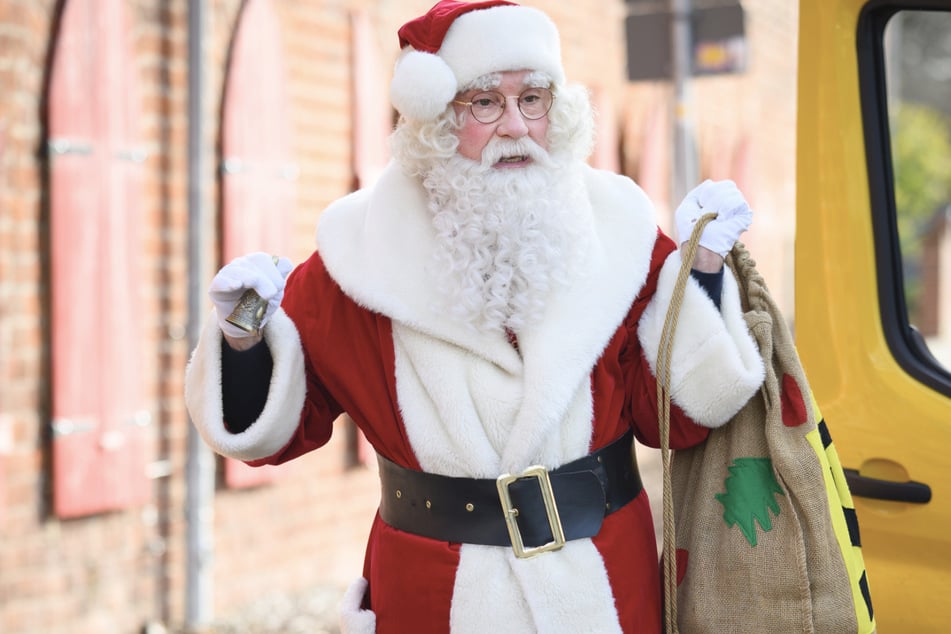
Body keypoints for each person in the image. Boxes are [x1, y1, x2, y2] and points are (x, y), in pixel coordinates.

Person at [185, 1, 765, 632]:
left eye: (534, 98)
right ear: (435, 120)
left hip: (601, 592)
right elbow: (273, 431)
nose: (516, 125)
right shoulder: (359, 254)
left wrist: (702, 271)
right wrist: (243, 333)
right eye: (484, 103)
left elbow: (680, 418)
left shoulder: (620, 232)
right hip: (433, 597)